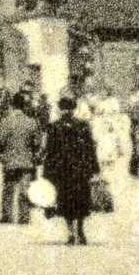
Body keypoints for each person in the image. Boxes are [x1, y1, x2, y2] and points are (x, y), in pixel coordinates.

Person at [41, 95, 103, 244]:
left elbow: (50, 151)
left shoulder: (54, 126)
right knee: (81, 200)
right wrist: (94, 169)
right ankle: (80, 231)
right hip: (80, 169)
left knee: (66, 200)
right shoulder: (83, 125)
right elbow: (90, 149)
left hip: (63, 170)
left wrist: (47, 172)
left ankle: (71, 232)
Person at [0, 90, 45, 230]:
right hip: (27, 159)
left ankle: (7, 215)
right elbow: (37, 142)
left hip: (10, 159)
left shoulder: (6, 121)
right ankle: (23, 216)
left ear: (12, 105)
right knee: (24, 189)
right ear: (24, 106)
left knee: (8, 187)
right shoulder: (31, 122)